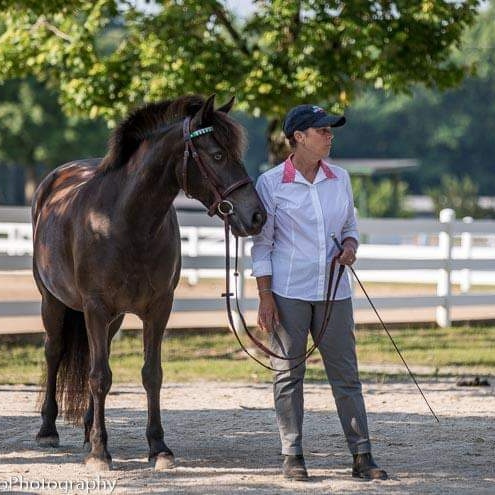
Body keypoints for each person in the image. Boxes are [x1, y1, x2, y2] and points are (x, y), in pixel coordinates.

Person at [251, 104, 388, 481]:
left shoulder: (340, 178)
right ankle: (292, 454)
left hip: (335, 292)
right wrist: (265, 296)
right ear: (299, 137)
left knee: (346, 376)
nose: (330, 135)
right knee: (288, 374)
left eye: (330, 130)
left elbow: (351, 225)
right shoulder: (271, 183)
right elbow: (262, 246)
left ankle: (362, 455)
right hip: (287, 291)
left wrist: (350, 246)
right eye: (322, 130)